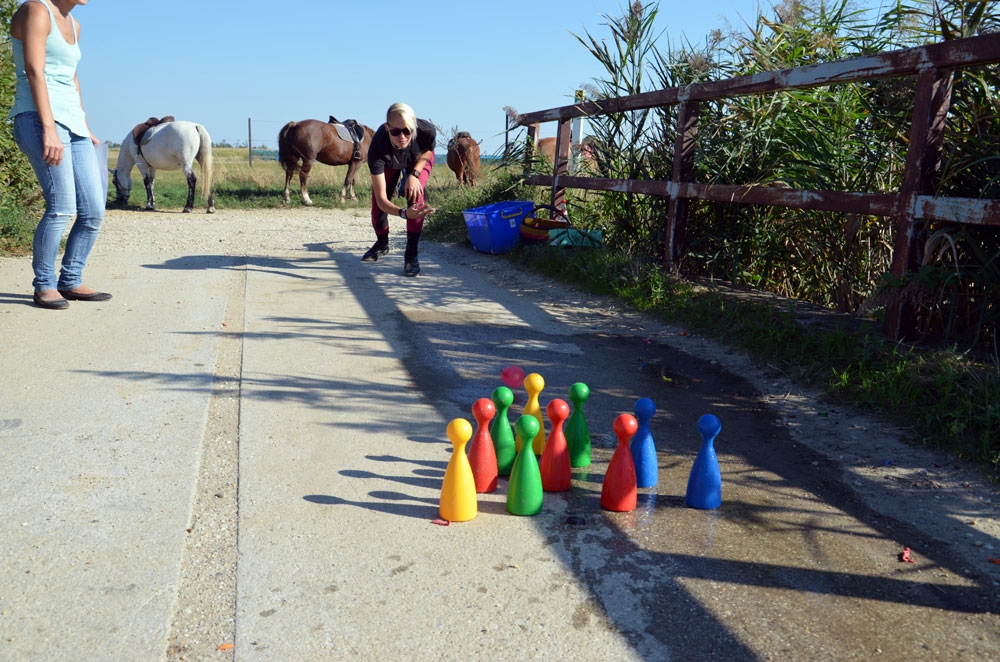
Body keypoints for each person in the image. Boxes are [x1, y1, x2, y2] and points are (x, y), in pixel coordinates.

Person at [9, 0, 110, 310]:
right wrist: (49, 128)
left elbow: (71, 79)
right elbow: (34, 70)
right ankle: (44, 285)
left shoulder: (75, 25)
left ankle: (70, 279)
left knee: (93, 210)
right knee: (61, 207)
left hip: (73, 124)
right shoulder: (36, 10)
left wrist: (86, 126)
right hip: (39, 119)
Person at [363, 102, 436, 276]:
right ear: (387, 128)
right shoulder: (377, 149)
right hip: (390, 161)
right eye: (395, 131)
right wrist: (403, 213)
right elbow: (381, 200)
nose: (402, 136)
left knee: (415, 197)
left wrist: (414, 175)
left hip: (417, 159)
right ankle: (382, 243)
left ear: (413, 127)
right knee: (377, 209)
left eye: (407, 131)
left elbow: (428, 150)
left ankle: (411, 255)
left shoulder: (427, 130)